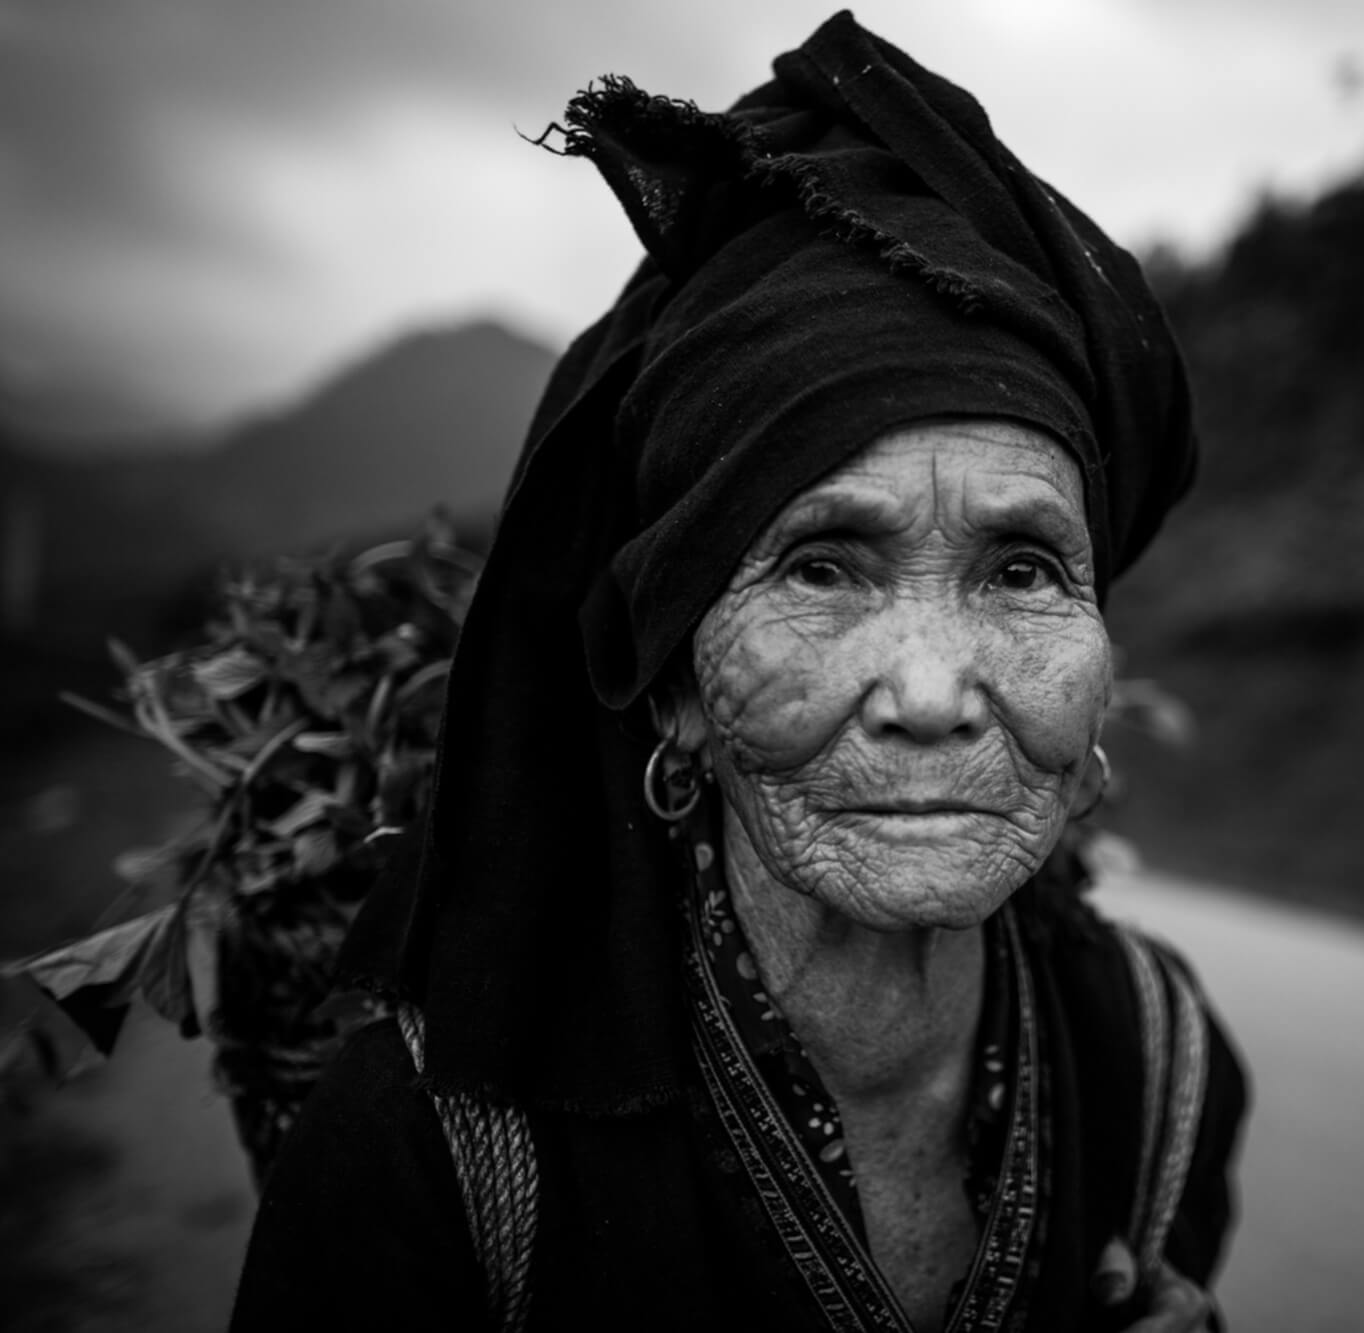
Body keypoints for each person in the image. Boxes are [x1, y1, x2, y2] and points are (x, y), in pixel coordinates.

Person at [230, 12, 1246, 1331]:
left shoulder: (1159, 1070)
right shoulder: (422, 1162)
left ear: (1100, 664)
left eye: (1020, 571)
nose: (933, 695)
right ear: (679, 689)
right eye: (823, 565)